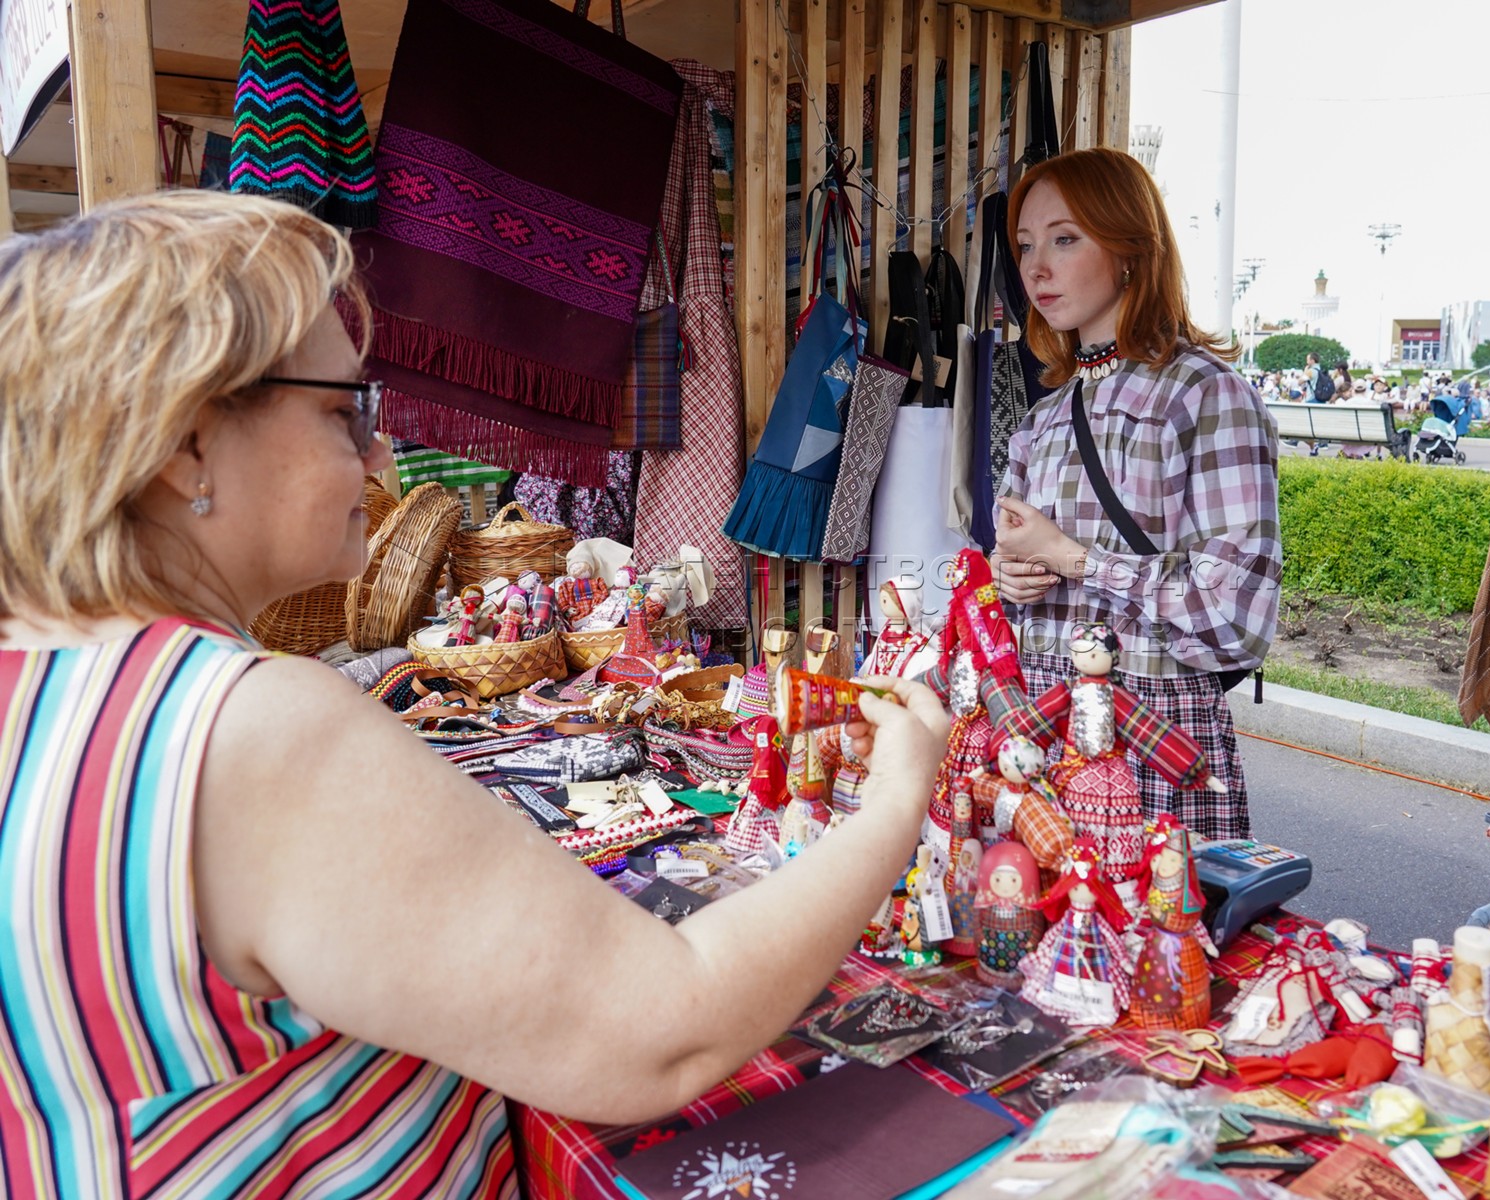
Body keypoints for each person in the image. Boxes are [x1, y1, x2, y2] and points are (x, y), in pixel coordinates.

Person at [0, 191, 952, 1197]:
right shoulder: (244, 728)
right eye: (343, 410)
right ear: (187, 442)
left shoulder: (41, 680)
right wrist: (896, 800)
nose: (382, 458)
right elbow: (660, 1034)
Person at [988, 147, 1281, 847]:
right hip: (1040, 743)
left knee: (1158, 948)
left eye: (1065, 238)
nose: (1037, 267)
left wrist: (1073, 558)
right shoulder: (1043, 418)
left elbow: (1234, 617)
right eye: (1026, 245)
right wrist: (1012, 577)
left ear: (1128, 248)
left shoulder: (1205, 393)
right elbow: (1011, 580)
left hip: (1153, 746)